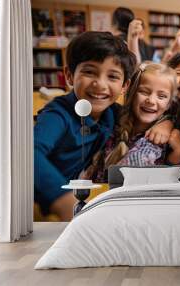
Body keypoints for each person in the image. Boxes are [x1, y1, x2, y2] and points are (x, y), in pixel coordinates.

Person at [34, 32, 136, 220]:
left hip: (87, 196)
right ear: (70, 76)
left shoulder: (113, 112)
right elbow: (28, 153)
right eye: (89, 72)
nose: (100, 84)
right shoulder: (58, 114)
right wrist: (61, 198)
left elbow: (148, 117)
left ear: (125, 86)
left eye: (112, 76)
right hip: (43, 203)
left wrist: (164, 125)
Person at [82, 62, 180, 182]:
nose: (151, 100)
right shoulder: (112, 119)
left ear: (169, 104)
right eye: (144, 92)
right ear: (131, 93)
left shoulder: (166, 136)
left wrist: (177, 148)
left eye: (161, 96)